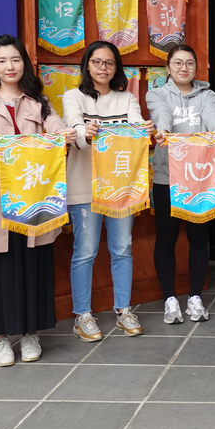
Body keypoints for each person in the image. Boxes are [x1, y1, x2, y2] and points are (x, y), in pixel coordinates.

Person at [0, 35, 71, 366]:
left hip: (32, 194)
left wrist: (64, 132)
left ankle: (29, 332)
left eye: (16, 60)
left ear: (25, 63)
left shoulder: (38, 101)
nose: (10, 66)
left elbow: (55, 126)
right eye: (3, 61)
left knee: (32, 261)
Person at [62, 41, 152, 342]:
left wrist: (146, 131)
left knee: (122, 248)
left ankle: (124, 309)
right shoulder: (72, 96)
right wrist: (82, 132)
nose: (103, 68)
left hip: (120, 186)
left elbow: (137, 126)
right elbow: (74, 128)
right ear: (87, 65)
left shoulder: (126, 99)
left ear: (117, 68)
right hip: (83, 185)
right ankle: (82, 315)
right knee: (85, 251)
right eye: (97, 62)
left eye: (110, 63)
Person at [147, 43, 215, 324]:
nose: (184, 68)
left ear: (196, 67)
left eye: (189, 63)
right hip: (167, 177)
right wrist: (164, 131)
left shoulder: (208, 94)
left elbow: (212, 118)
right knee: (166, 239)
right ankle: (170, 299)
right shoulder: (156, 93)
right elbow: (162, 116)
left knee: (198, 238)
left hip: (200, 177)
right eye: (178, 63)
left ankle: (195, 297)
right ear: (168, 68)